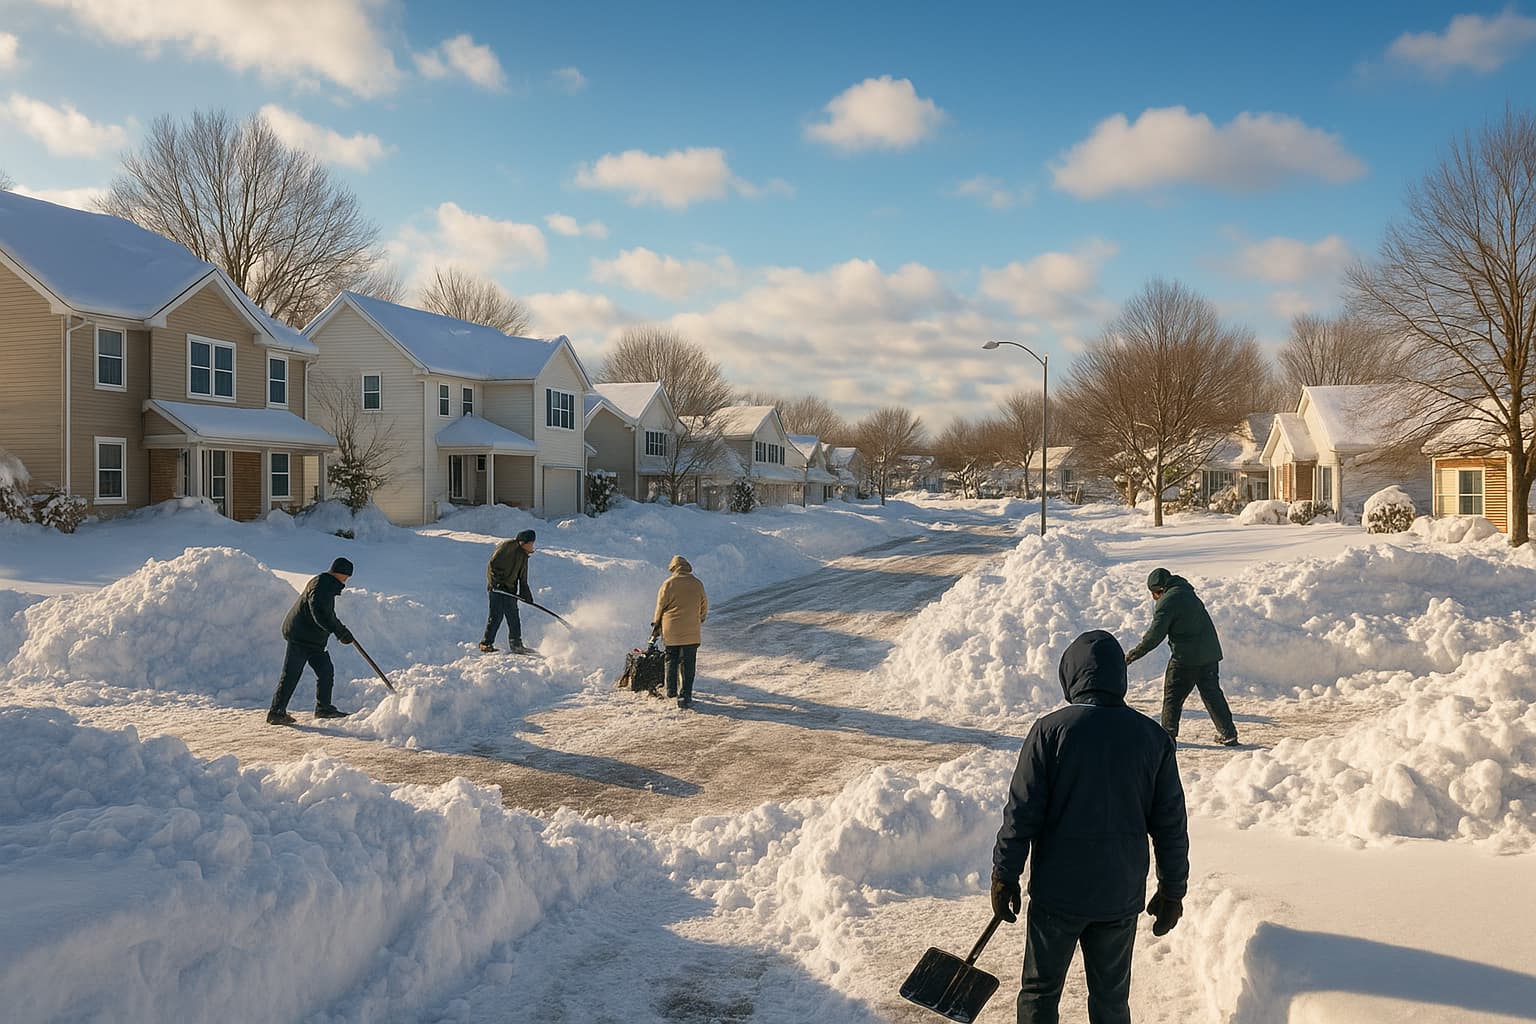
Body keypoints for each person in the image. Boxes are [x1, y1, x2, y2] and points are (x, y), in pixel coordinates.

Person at [991, 630, 1189, 1024]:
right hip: (1119, 895)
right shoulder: (1152, 737)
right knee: (1111, 1001)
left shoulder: (1050, 731)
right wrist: (1172, 890)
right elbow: (1170, 824)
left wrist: (1004, 874)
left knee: (1040, 992)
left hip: (1057, 896)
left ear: (1071, 675)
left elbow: (1022, 812)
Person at [1125, 567, 1238, 747]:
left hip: (1185, 658)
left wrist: (1132, 655)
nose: (1154, 598)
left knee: (1173, 696)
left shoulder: (1167, 602)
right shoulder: (1187, 592)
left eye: (1154, 594)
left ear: (1159, 590)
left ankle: (1167, 738)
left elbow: (1155, 636)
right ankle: (1228, 733)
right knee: (1212, 694)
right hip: (1209, 654)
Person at [267, 557, 356, 725]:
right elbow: (320, 613)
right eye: (347, 576)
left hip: (313, 640)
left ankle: (324, 708)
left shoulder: (327, 585)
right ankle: (276, 712)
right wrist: (338, 632)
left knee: (326, 671)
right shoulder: (321, 585)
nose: (346, 580)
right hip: (300, 637)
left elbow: (328, 614)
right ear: (341, 573)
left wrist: (342, 630)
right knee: (291, 674)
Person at [651, 554, 707, 709]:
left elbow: (660, 607)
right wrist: (699, 619)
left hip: (671, 630)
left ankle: (671, 691)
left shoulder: (668, 584)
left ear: (673, 568)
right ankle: (685, 695)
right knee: (688, 664)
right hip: (691, 631)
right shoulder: (697, 583)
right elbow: (704, 606)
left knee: (671, 659)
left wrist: (656, 625)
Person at [482, 529, 537, 655]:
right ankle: (486, 643)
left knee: (513, 616)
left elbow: (523, 578)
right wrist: (497, 582)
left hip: (509, 590)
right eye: (530, 543)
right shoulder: (508, 547)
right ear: (523, 542)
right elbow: (493, 565)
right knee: (496, 616)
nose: (532, 546)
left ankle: (516, 645)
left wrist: (526, 593)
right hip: (497, 588)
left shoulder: (524, 555)